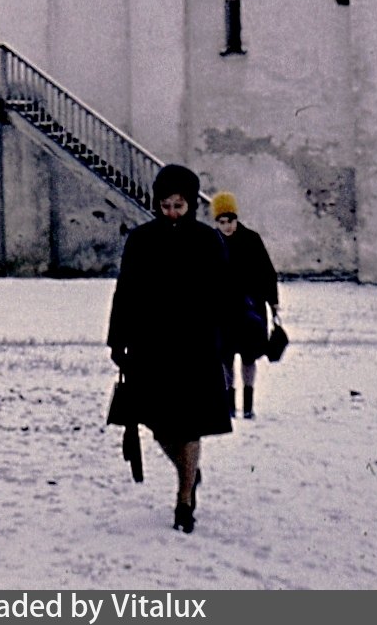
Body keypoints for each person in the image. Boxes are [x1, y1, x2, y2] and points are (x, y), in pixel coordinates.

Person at [107, 164, 232, 534]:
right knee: (157, 422)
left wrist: (223, 338)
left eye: (179, 205)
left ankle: (183, 501)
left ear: (191, 203)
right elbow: (125, 290)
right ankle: (188, 471)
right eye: (166, 205)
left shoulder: (208, 241)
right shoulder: (141, 240)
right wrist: (118, 339)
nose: (173, 212)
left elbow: (222, 293)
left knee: (190, 423)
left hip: (195, 346)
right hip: (151, 345)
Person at [211, 190, 280, 420]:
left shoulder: (251, 239)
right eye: (221, 222)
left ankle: (248, 402)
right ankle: (229, 402)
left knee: (249, 357)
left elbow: (267, 272)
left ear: (236, 219)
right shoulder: (212, 242)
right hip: (222, 311)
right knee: (226, 358)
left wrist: (273, 302)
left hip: (250, 310)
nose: (227, 226)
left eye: (230, 221)